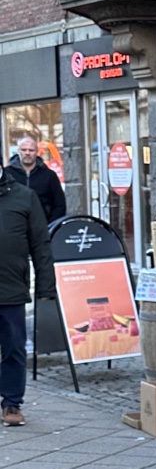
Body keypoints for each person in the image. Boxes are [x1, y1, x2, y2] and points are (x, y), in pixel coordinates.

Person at [0, 162, 56, 426]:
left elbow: (40, 244)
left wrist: (46, 286)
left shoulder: (24, 196)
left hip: (10, 288)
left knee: (13, 348)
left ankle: (11, 403)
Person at [6, 135, 65, 224]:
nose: (27, 153)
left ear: (37, 152)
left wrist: (49, 225)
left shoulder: (49, 175)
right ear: (18, 151)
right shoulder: (6, 174)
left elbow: (60, 205)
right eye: (24, 149)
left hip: (43, 226)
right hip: (13, 227)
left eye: (31, 150)